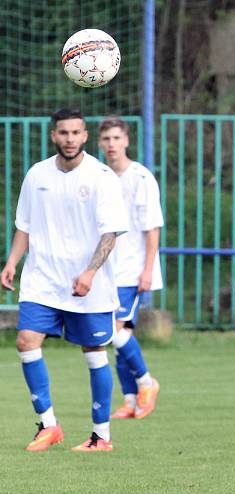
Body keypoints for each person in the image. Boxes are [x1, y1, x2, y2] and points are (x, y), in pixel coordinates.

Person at [1, 108, 128, 452]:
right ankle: (48, 425)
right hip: (42, 279)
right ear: (53, 135)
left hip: (89, 285)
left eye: (76, 133)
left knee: (94, 350)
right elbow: (24, 226)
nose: (69, 139)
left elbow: (110, 234)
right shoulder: (36, 174)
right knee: (26, 341)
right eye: (63, 133)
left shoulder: (102, 177)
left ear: (85, 136)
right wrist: (11, 262)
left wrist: (89, 273)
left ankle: (101, 435)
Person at [97, 117, 164, 420]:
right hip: (104, 270)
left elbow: (152, 229)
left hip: (131, 269)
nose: (111, 144)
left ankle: (147, 383)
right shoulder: (98, 176)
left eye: (116, 138)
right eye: (106, 139)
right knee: (115, 336)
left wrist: (147, 270)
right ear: (99, 143)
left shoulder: (141, 178)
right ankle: (130, 399)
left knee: (115, 332)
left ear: (126, 140)